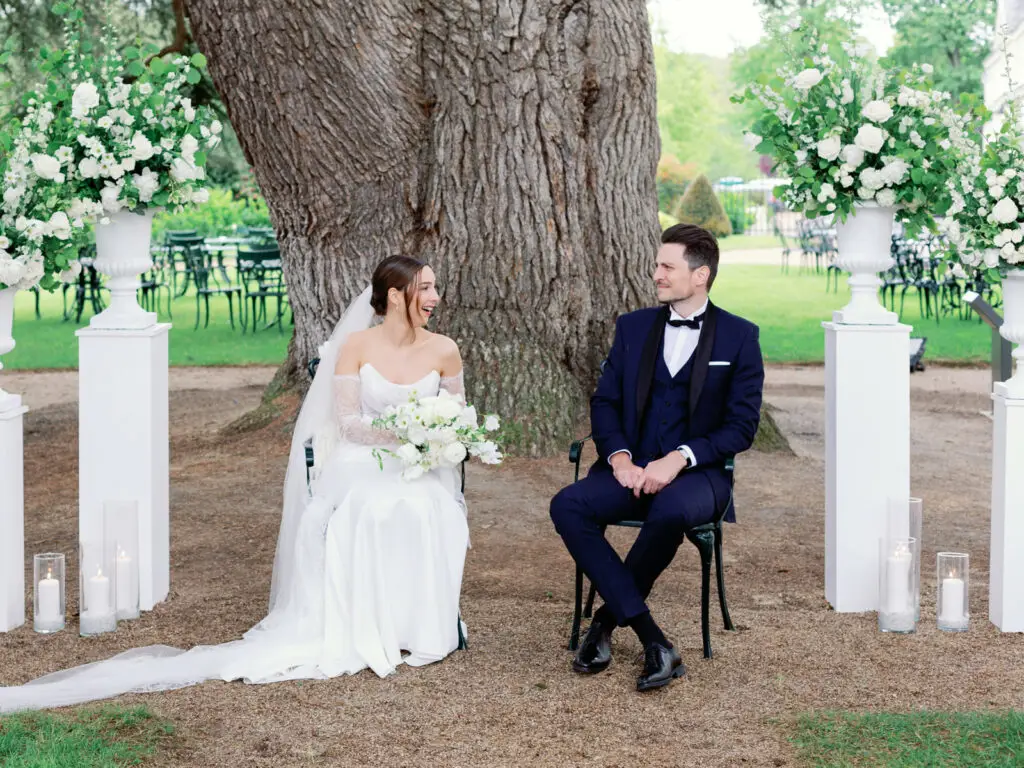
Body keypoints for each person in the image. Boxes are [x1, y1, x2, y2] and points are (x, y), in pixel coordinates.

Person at [0, 255, 470, 713]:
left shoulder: (444, 348)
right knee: (372, 505)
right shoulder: (357, 347)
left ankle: (420, 626)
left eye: (434, 287)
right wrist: (405, 434)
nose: (435, 296)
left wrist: (433, 439)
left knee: (429, 503)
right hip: (363, 457)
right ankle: (367, 625)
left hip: (419, 463)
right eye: (425, 287)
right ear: (395, 294)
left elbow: (456, 418)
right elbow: (347, 423)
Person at [550, 223, 764, 692]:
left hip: (699, 478)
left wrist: (679, 458)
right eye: (657, 265)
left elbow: (741, 427)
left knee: (669, 511)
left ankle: (605, 624)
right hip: (631, 469)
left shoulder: (740, 338)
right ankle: (655, 640)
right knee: (567, 504)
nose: (656, 274)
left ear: (701, 275)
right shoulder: (632, 328)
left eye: (667, 266)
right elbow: (604, 402)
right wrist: (621, 459)